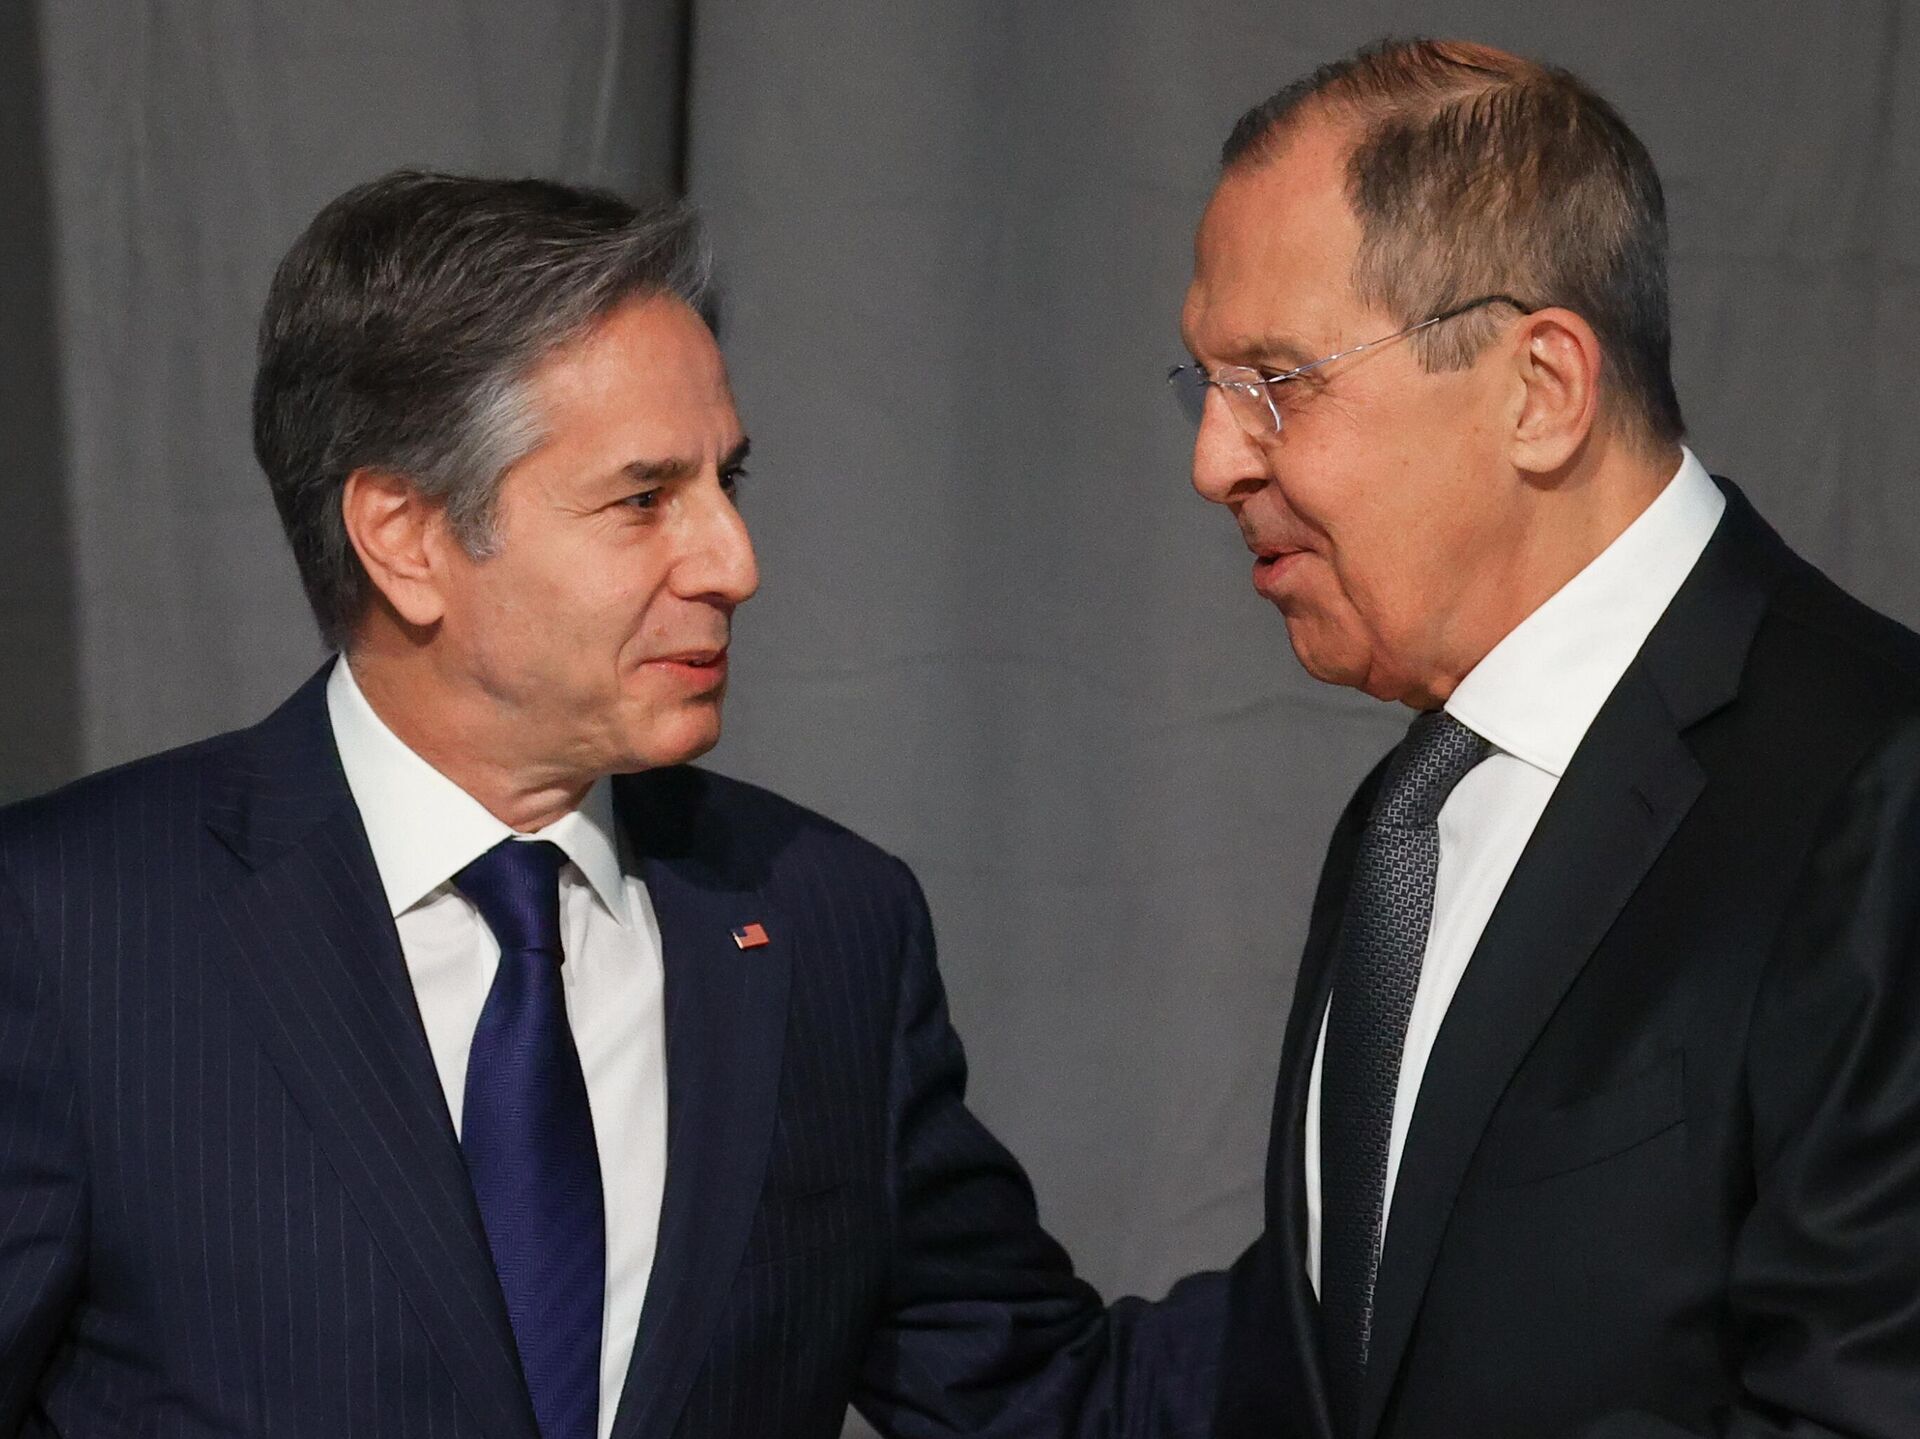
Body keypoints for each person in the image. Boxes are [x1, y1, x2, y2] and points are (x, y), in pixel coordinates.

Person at [0, 173, 1213, 1439]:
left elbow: (1048, 1399)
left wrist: (1359, 1245)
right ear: (404, 536)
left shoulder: (826, 922)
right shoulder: (68, 932)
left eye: (728, 482)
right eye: (644, 499)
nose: (734, 561)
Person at [1166, 37, 1920, 1439]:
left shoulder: (1881, 784)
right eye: (1203, 384)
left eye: (1275, 378)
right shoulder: (1416, 810)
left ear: (1540, 390)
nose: (1214, 460)